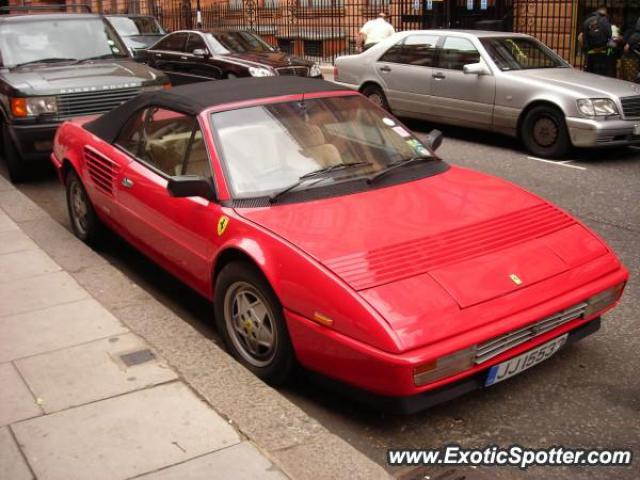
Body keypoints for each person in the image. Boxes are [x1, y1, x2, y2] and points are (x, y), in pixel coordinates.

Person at [578, 5, 615, 77]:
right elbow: (611, 37)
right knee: (601, 78)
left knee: (589, 77)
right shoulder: (605, 21)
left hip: (589, 55)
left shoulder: (586, 21)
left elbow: (580, 38)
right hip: (602, 55)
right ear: (605, 13)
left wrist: (585, 50)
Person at [621, 18, 640, 82]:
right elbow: (626, 47)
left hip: (633, 58)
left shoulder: (635, 35)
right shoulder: (636, 35)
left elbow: (626, 47)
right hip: (633, 58)